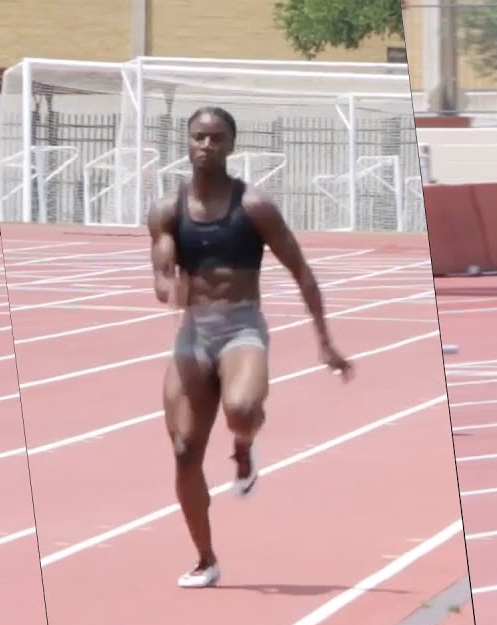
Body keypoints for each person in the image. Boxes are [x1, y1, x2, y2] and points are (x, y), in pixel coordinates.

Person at [147, 106, 353, 589]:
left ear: (231, 145)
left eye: (217, 138)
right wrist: (167, 284)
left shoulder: (254, 206)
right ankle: (205, 558)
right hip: (194, 331)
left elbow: (301, 270)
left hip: (242, 327)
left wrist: (325, 340)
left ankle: (243, 448)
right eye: (198, 137)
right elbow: (159, 274)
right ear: (188, 142)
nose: (206, 146)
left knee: (240, 408)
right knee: (182, 452)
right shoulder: (166, 211)